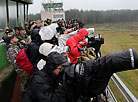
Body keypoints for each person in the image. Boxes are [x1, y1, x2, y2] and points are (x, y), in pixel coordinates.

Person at [28, 48, 138, 102]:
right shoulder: (39, 80)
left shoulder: (55, 75)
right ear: (52, 68)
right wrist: (67, 85)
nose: (64, 70)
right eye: (61, 68)